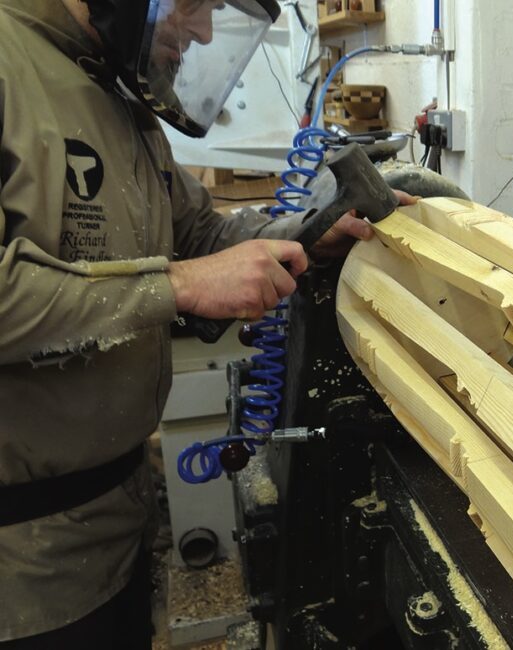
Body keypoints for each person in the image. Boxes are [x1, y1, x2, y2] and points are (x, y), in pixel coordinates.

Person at [0, 0, 411, 646]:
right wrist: (181, 287)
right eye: (193, 4)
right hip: (23, 574)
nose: (203, 31)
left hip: (120, 529)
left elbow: (202, 233)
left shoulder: (115, 96)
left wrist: (315, 232)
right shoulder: (11, 66)